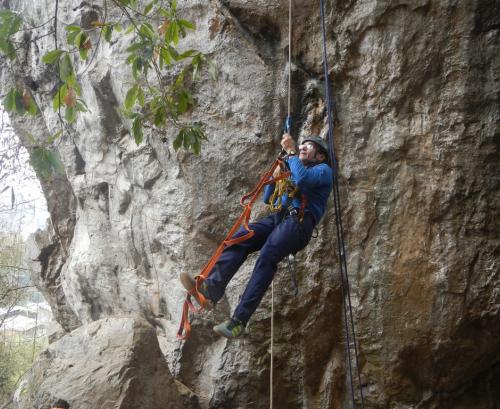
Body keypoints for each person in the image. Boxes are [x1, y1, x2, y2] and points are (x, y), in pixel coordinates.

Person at [180, 133, 333, 338]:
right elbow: (270, 198)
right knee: (242, 237)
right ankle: (210, 290)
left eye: (309, 146)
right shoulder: (294, 170)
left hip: (300, 222)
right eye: (302, 145)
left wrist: (291, 153)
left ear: (320, 156)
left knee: (267, 255)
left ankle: (238, 322)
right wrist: (275, 176)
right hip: (282, 217)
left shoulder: (324, 171)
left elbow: (304, 181)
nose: (304, 147)